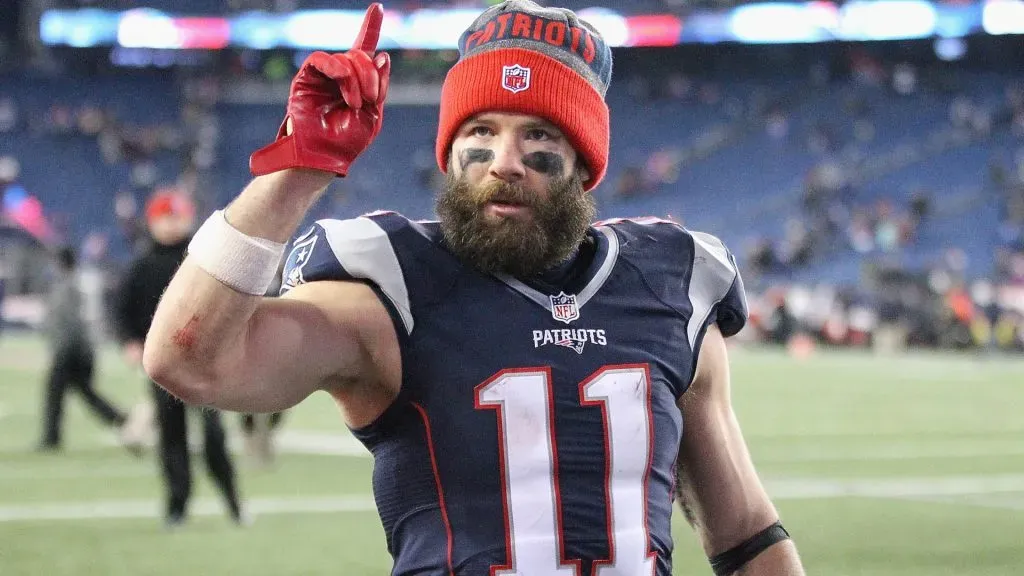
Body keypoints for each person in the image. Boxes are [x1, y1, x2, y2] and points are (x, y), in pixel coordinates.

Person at [144, 2, 805, 573]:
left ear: (584, 165)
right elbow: (189, 360)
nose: (505, 163)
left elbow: (745, 535)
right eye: (480, 132)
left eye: (539, 135)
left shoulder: (670, 286)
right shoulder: (390, 289)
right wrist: (295, 172)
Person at [115, 188, 245, 528]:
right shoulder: (143, 265)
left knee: (214, 437)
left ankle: (233, 501)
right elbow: (124, 310)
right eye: (165, 217)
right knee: (172, 439)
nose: (172, 224)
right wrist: (130, 341)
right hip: (163, 366)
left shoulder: (204, 259)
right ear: (152, 221)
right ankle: (177, 506)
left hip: (206, 363)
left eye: (178, 216)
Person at [38, 247, 130, 452]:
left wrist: (62, 349)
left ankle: (51, 438)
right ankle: (119, 419)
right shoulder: (77, 282)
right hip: (80, 349)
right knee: (85, 392)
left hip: (71, 351)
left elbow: (70, 323)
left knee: (55, 393)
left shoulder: (67, 286)